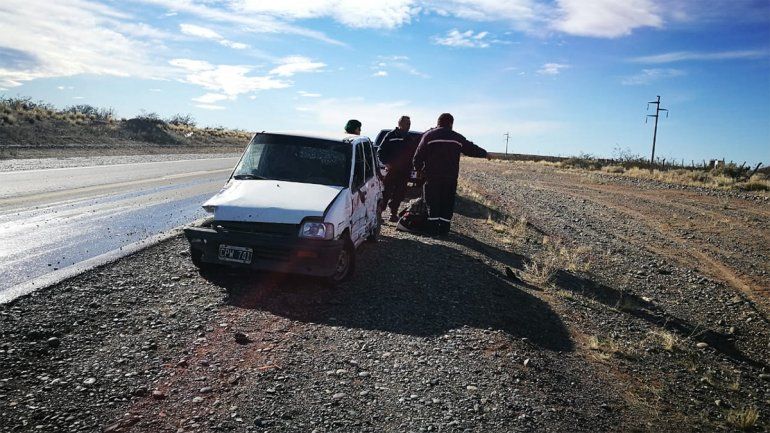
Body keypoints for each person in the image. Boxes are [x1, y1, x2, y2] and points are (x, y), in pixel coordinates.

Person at [412, 113, 487, 236]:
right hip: (450, 177)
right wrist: (485, 154)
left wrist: (418, 169)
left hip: (432, 176)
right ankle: (444, 229)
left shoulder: (429, 136)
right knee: (447, 201)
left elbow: (418, 155)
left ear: (438, 122)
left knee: (432, 201)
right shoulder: (457, 137)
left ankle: (432, 229)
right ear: (451, 123)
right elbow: (471, 148)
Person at [378, 115, 417, 222]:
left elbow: (413, 154)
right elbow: (380, 151)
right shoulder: (390, 135)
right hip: (392, 170)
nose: (409, 126)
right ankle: (379, 214)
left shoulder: (409, 138)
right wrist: (386, 163)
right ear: (400, 124)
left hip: (404, 171)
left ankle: (393, 214)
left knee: (399, 193)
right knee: (386, 192)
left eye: (409, 123)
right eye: (407, 123)